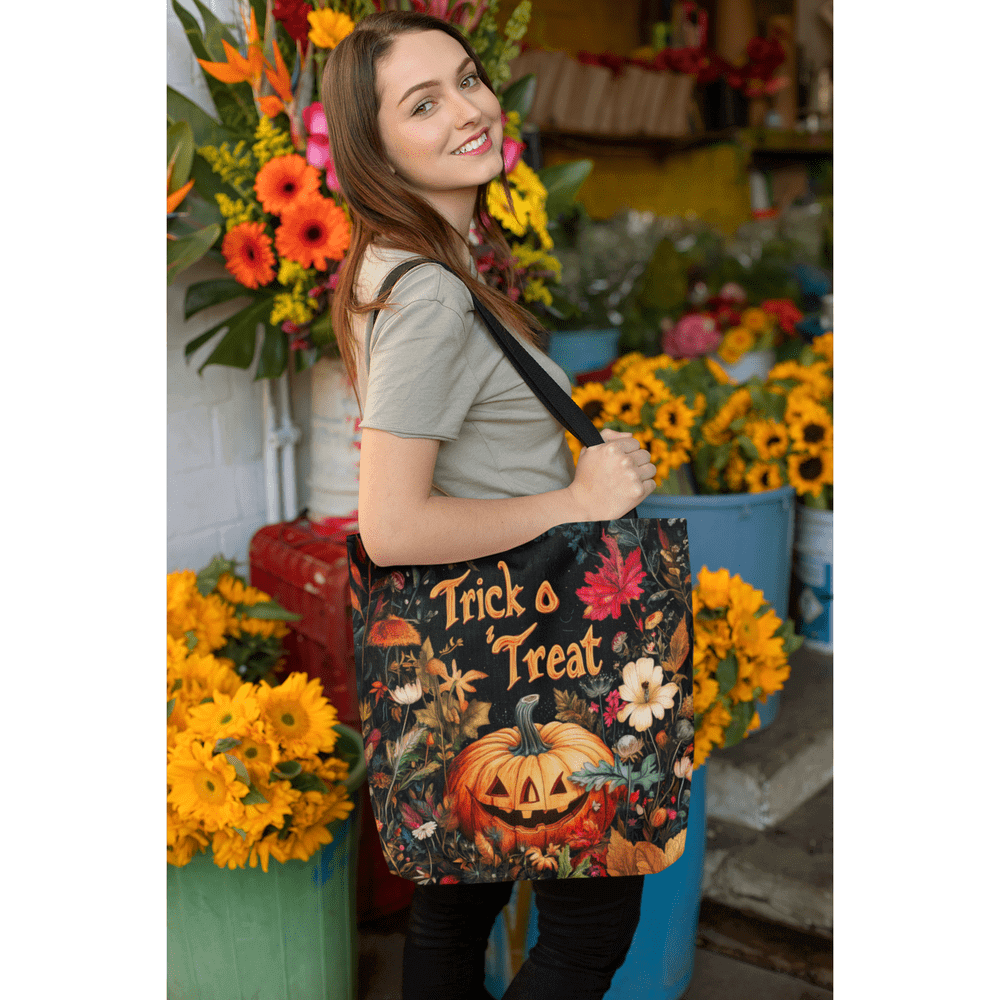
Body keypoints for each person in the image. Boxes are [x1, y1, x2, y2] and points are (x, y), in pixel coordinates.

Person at [321, 11, 657, 1000]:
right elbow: (392, 525)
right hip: (519, 645)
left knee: (456, 907)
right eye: (423, 103)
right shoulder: (427, 293)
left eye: (467, 79)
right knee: (590, 925)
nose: (470, 109)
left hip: (472, 646)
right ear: (374, 146)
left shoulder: (408, 268)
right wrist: (576, 496)